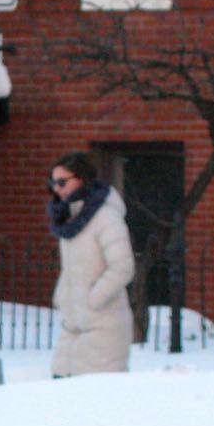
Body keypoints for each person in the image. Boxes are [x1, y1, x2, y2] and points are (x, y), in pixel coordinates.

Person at [47, 150, 135, 377]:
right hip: (72, 326)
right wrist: (63, 296)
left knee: (96, 394)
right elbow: (72, 269)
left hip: (104, 326)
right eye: (53, 183)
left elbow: (122, 267)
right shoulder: (69, 221)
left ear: (82, 179)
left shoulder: (106, 218)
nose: (56, 189)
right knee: (60, 384)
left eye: (62, 182)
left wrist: (93, 299)